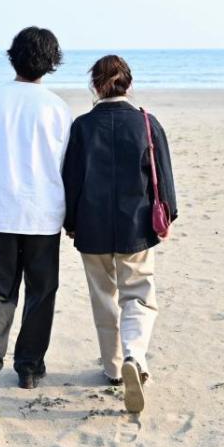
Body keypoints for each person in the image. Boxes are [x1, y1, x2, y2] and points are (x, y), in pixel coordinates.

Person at [62, 54, 177, 413]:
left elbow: (70, 180)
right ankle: (134, 356)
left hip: (91, 225)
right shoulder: (146, 122)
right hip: (136, 225)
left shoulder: (82, 126)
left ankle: (113, 369)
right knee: (138, 295)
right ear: (129, 83)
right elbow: (163, 175)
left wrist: (70, 221)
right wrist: (168, 214)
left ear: (95, 86)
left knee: (103, 297)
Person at [0, 27, 73, 404]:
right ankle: (28, 367)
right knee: (41, 292)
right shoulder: (57, 108)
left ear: (13, 57)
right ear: (52, 63)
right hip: (42, 213)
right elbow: (64, 166)